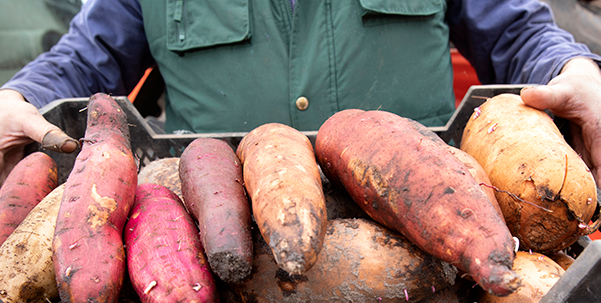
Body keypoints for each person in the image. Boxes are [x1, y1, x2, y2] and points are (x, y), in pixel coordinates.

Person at [1, 0, 601, 186]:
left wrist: (575, 68)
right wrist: (21, 97)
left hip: (426, 254)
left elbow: (518, 32)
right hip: (217, 262)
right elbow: (87, 56)